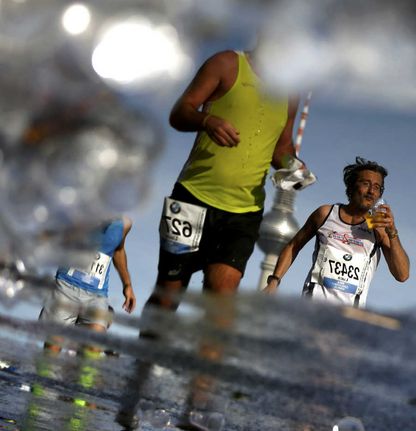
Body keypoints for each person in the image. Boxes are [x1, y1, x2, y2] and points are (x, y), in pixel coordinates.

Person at [141, 47, 308, 321]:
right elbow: (179, 112)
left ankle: (203, 365)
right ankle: (146, 360)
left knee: (221, 304)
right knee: (168, 293)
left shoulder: (291, 94)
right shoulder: (227, 63)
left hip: (244, 211)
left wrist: (295, 168)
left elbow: (282, 148)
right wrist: (207, 120)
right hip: (192, 198)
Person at [264, 157, 409, 308]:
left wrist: (392, 232)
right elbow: (293, 245)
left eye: (377, 187)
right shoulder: (326, 213)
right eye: (366, 184)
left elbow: (402, 275)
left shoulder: (378, 228)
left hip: (349, 318)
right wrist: (274, 280)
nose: (371, 191)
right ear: (352, 186)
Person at [39, 216, 135, 353]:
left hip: (97, 295)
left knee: (93, 349)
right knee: (51, 354)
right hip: (66, 288)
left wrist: (127, 285)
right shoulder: (83, 211)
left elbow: (118, 250)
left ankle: (84, 374)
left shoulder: (125, 224)